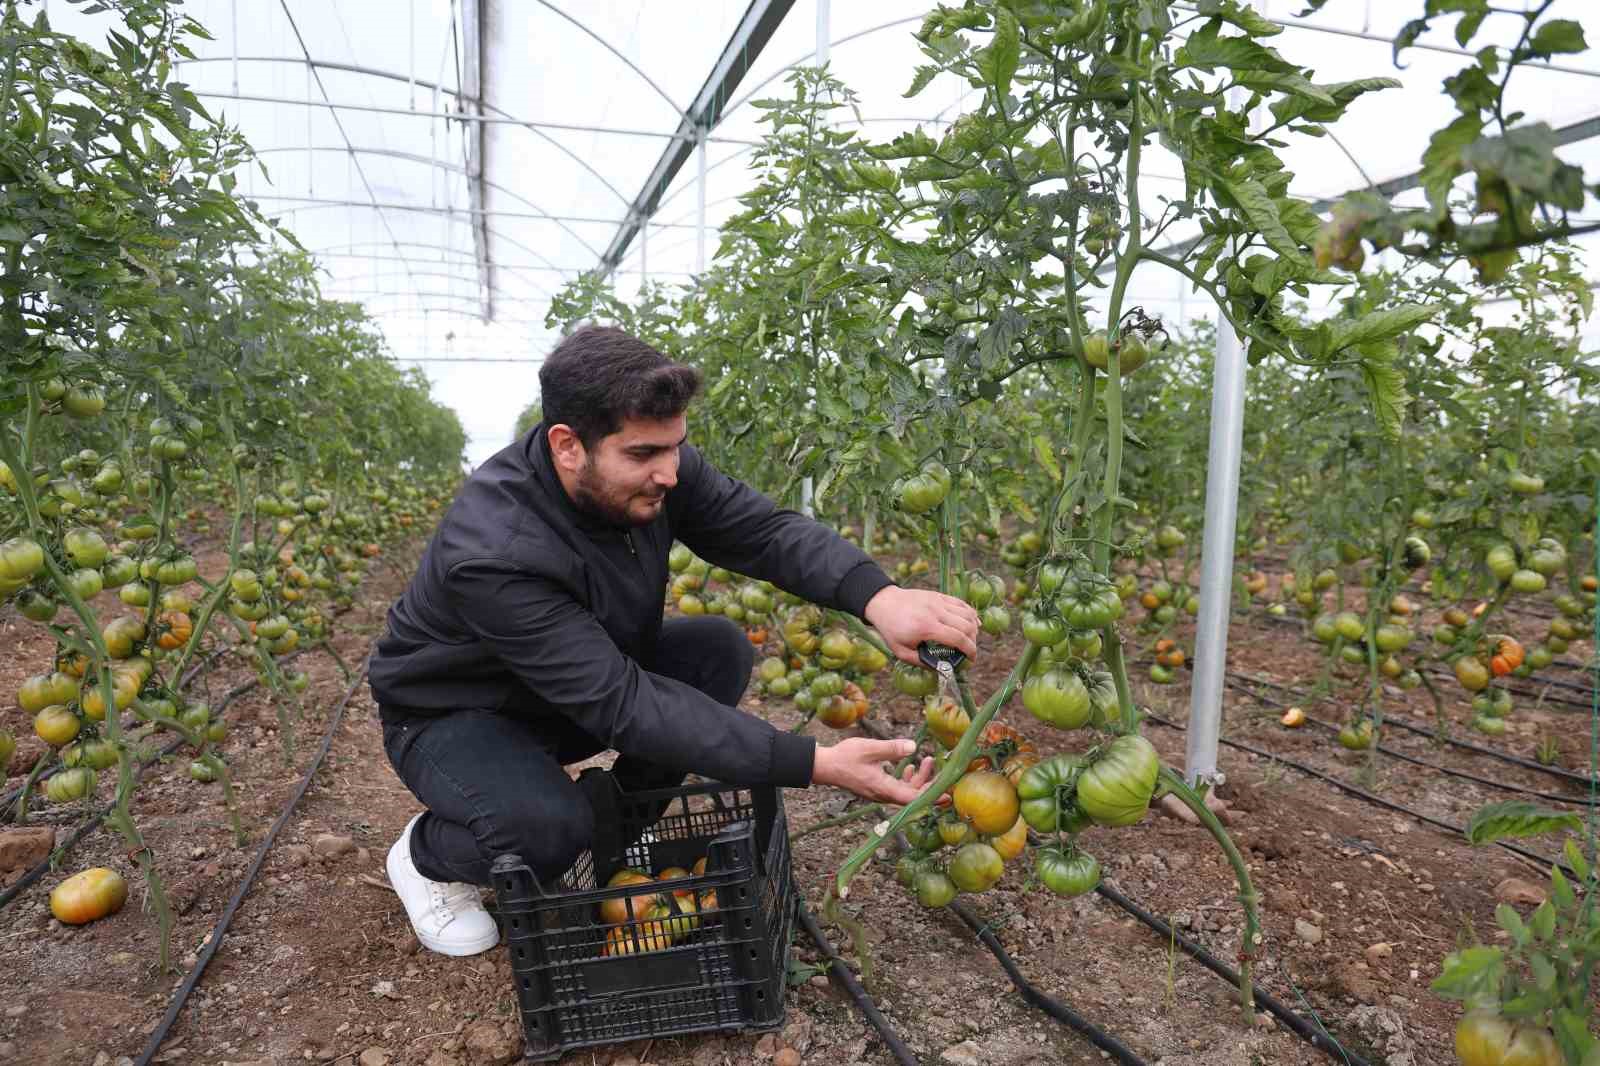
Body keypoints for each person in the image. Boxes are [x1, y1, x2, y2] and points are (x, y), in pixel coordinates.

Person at [368, 324, 980, 957]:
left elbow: (762, 532)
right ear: (568, 446)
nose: (668, 472)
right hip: (456, 714)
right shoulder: (496, 550)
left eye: (675, 448)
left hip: (560, 688)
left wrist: (879, 597)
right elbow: (622, 703)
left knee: (716, 652)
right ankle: (426, 858)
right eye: (642, 454)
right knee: (546, 829)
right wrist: (814, 762)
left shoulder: (658, 468)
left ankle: (613, 839)